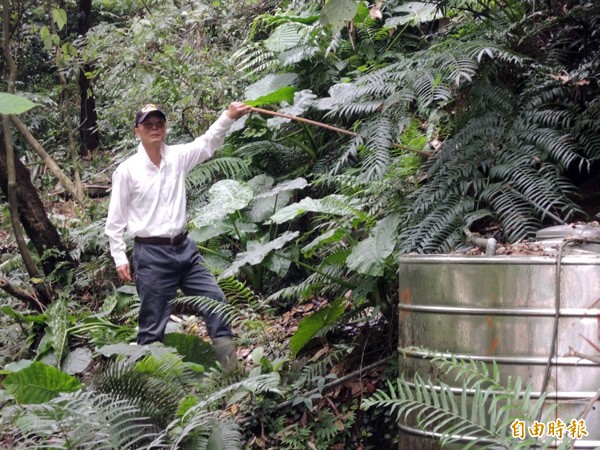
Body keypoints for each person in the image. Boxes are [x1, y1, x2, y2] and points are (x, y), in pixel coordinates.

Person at [104, 101, 251, 370]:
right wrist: (119, 257)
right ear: (137, 131)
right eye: (147, 124)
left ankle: (231, 373)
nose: (154, 128)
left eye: (158, 123)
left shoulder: (177, 157)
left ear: (166, 127)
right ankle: (153, 390)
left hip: (185, 248)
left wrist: (229, 116)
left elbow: (208, 143)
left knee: (215, 300)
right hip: (151, 255)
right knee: (152, 324)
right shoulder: (127, 171)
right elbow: (115, 220)